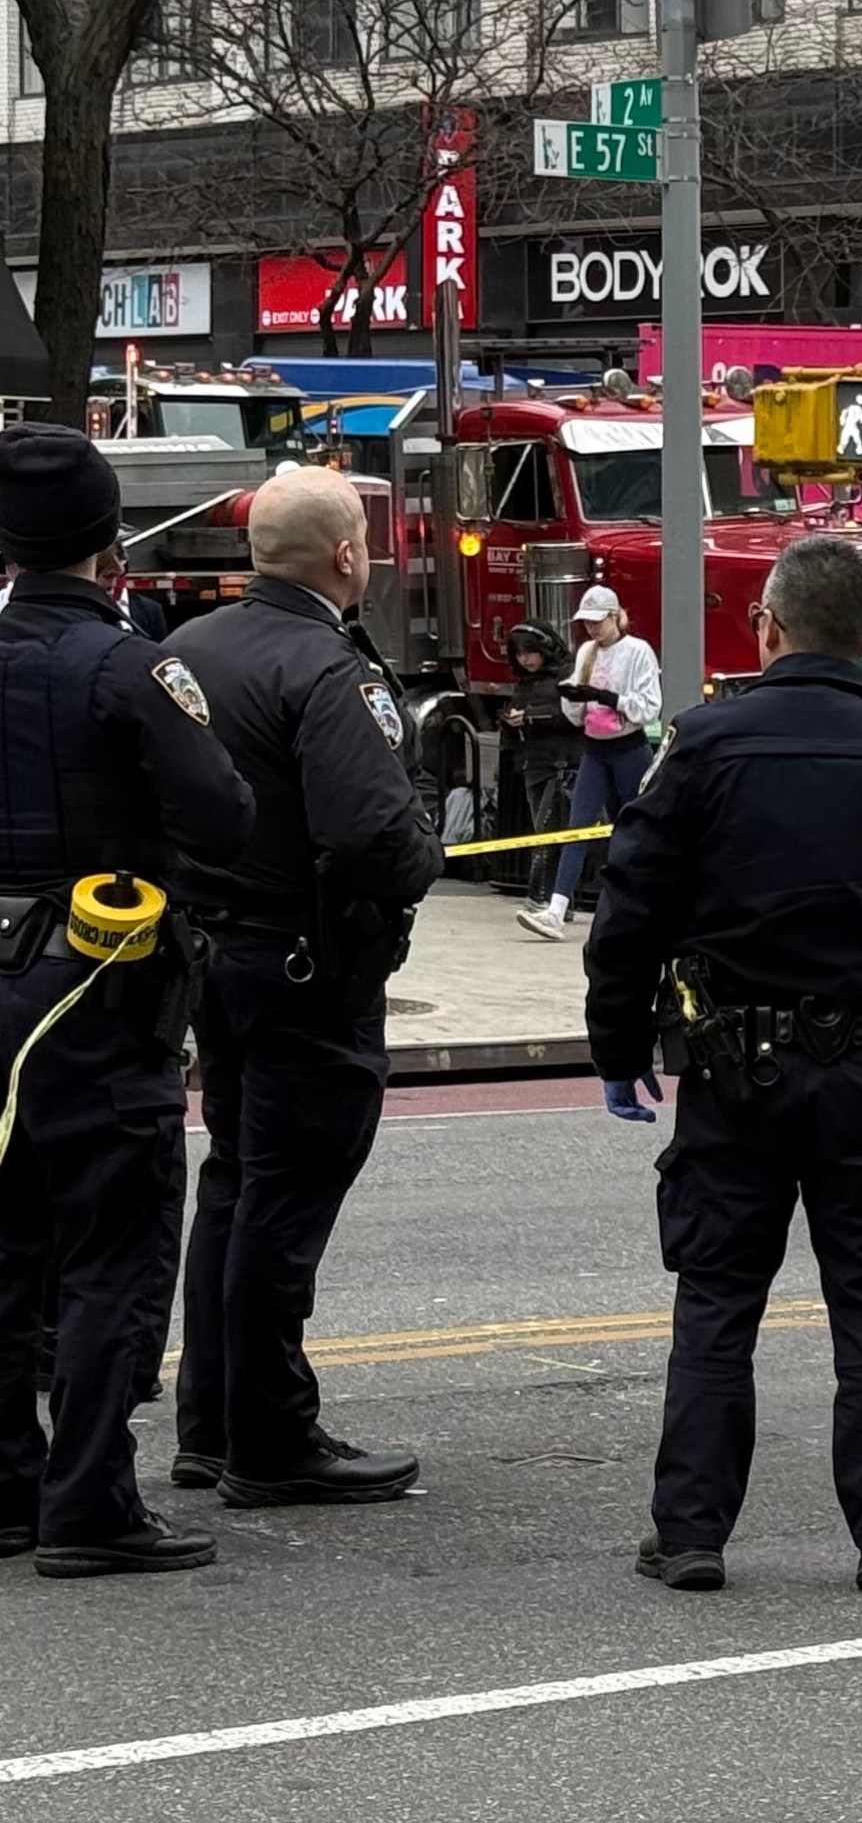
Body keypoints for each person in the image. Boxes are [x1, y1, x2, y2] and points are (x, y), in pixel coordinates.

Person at [585, 536, 862, 1595]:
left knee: (717, 1302)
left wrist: (618, 1046)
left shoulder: (702, 744)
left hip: (736, 1069)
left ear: (767, 627)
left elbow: (629, 907)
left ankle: (691, 1533)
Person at [0, 427, 253, 1578]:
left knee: (7, 1245)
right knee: (114, 1245)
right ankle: (90, 1499)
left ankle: (6, 1488)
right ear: (111, 544)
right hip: (98, 989)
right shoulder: (126, 666)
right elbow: (223, 815)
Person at [168, 466, 442, 1508]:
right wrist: (426, 853)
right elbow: (373, 833)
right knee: (284, 1197)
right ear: (346, 556)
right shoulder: (331, 669)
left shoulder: (190, 649)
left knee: (236, 1182)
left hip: (211, 955)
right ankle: (271, 1436)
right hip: (307, 966)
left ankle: (212, 1423)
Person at [518, 586, 661, 942]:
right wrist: (574, 697)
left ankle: (645, 905)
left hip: (629, 749)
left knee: (637, 828)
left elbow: (649, 706)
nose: (592, 629)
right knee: (576, 827)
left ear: (615, 617)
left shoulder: (638, 651)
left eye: (598, 622)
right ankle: (556, 910)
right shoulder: (586, 652)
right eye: (587, 623)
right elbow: (576, 713)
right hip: (595, 749)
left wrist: (606, 697)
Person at [499, 620, 584, 910]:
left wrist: (530, 717)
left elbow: (572, 715)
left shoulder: (568, 676)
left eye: (530, 652)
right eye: (520, 654)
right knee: (547, 832)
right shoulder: (524, 684)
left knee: (547, 836)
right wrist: (510, 723)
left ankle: (540, 898)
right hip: (534, 764)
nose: (526, 659)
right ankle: (562, 903)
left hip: (562, 764)